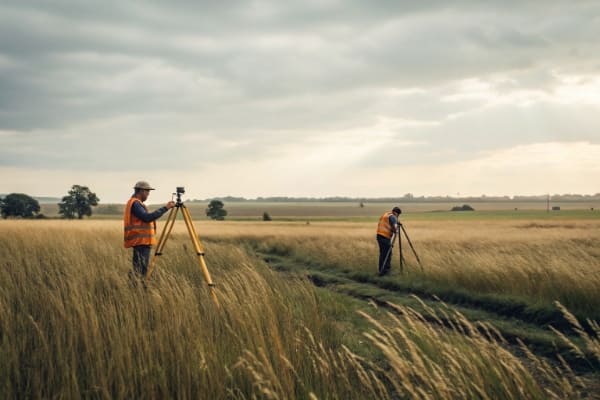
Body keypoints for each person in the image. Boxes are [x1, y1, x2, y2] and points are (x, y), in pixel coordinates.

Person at [123, 181, 175, 276]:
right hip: (141, 242)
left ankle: (136, 286)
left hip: (141, 242)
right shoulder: (136, 204)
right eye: (147, 192)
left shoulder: (136, 203)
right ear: (142, 191)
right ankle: (138, 287)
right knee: (140, 271)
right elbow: (147, 218)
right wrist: (166, 208)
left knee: (139, 269)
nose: (148, 194)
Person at [376, 206, 401, 276]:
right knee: (388, 254)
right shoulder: (393, 217)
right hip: (385, 236)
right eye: (398, 215)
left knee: (382, 254)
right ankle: (386, 271)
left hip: (379, 235)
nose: (397, 217)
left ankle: (381, 270)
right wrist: (397, 230)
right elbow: (395, 228)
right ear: (396, 213)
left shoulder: (386, 214)